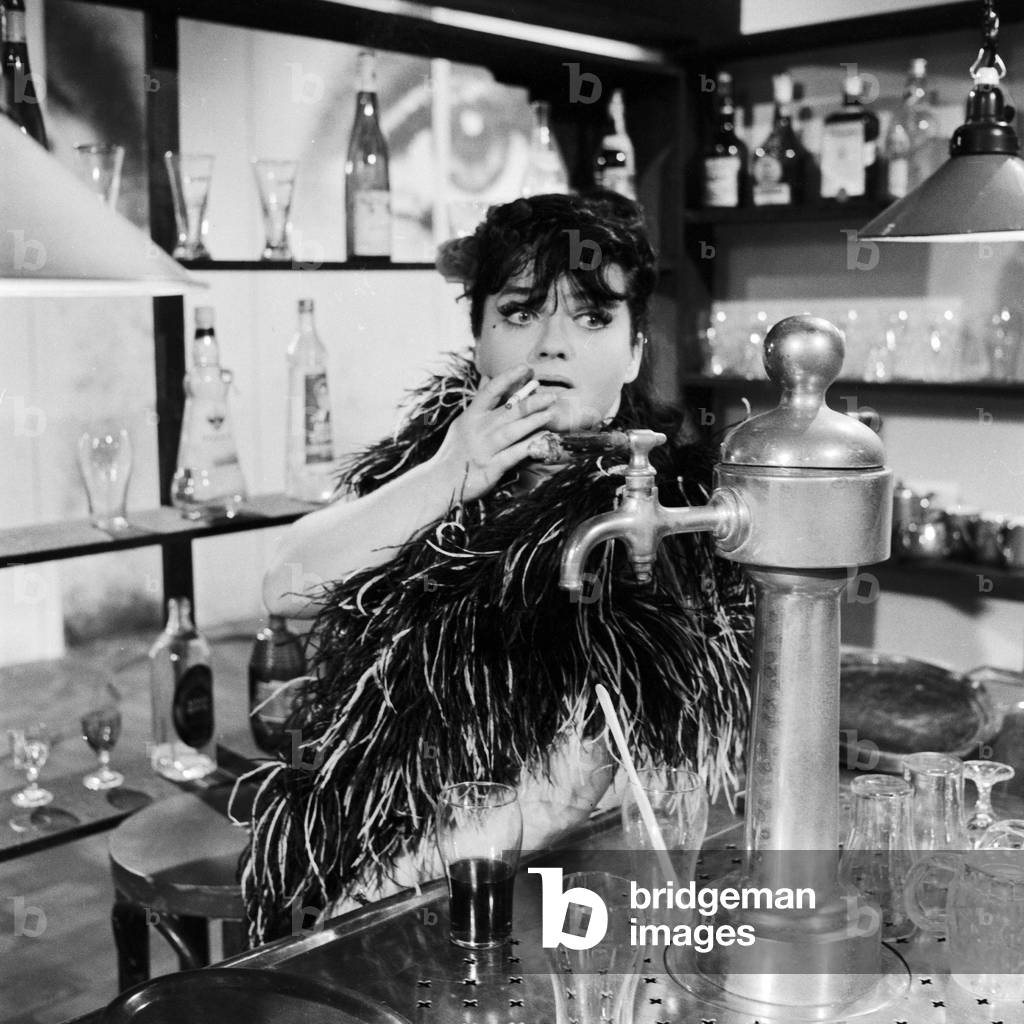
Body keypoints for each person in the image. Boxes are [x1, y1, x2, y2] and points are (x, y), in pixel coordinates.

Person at [241, 192, 753, 943]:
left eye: (591, 317)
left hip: (529, 904)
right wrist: (452, 470)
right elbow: (285, 588)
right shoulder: (434, 457)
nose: (552, 347)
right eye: (519, 314)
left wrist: (348, 918)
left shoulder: (660, 516)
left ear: (636, 349)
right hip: (370, 856)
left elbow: (561, 796)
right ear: (478, 339)